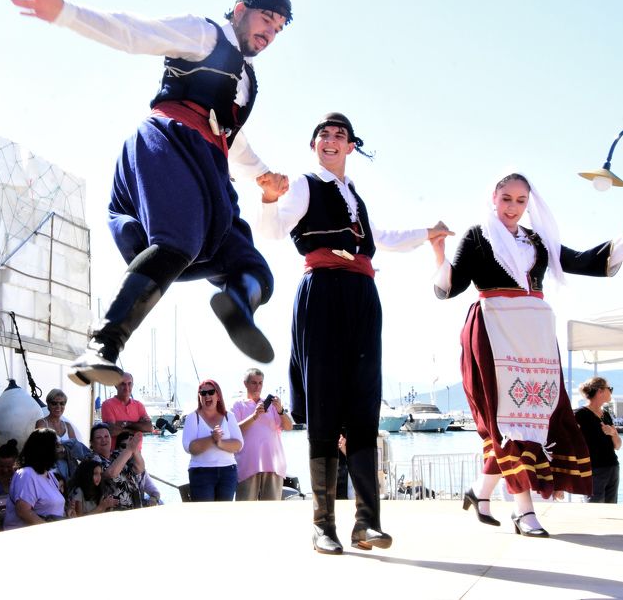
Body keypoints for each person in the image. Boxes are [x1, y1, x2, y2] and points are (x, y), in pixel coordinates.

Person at [11, 0, 293, 386]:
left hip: (211, 163)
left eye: (278, 28)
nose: (270, 33)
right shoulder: (204, 34)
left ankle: (236, 304)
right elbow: (135, 32)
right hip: (170, 142)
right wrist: (68, 14)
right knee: (178, 242)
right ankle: (102, 345)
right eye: (266, 19)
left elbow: (231, 137)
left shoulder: (247, 79)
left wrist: (262, 174)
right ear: (239, 10)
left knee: (252, 267)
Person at [257, 113, 450, 553]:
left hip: (363, 295)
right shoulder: (305, 184)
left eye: (339, 135)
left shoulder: (355, 195)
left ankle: (367, 523)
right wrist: (268, 198)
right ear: (314, 145)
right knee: (324, 410)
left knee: (364, 409)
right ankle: (323, 526)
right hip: (323, 291)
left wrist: (428, 234)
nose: (331, 140)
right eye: (323, 134)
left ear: (350, 147)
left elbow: (382, 237)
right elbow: (273, 230)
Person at [430, 172, 623, 537]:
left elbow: (581, 260)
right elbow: (451, 287)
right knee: (511, 420)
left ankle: (480, 491)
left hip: (535, 337)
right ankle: (524, 511)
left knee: (536, 418)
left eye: (520, 201)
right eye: (506, 199)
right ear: (493, 198)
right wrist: (439, 253)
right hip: (496, 331)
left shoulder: (536, 240)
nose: (512, 207)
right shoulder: (479, 235)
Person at [231, 368, 291, 500]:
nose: (258, 386)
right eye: (254, 383)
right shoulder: (238, 405)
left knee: (271, 510)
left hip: (273, 465)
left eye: (260, 383)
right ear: (245, 384)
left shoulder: (272, 406)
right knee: (245, 508)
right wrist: (254, 416)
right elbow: (234, 430)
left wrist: (280, 410)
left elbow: (288, 426)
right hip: (247, 466)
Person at [182, 379, 242, 502]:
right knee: (204, 512)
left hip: (228, 472)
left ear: (218, 396)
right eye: (203, 393)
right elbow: (189, 447)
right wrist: (212, 438)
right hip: (201, 472)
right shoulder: (192, 418)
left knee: (224, 511)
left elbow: (238, 444)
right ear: (199, 396)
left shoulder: (229, 416)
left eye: (211, 392)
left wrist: (220, 443)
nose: (207, 396)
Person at [4, 429, 67, 528]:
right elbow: (23, 511)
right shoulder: (27, 475)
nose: (60, 450)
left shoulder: (49, 475)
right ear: (45, 450)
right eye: (56, 446)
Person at [574, 377, 621, 503]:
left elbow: (618, 446)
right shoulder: (579, 415)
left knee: (611, 508)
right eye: (609, 389)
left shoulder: (606, 415)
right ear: (600, 391)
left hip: (612, 467)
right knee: (594, 508)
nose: (611, 392)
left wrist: (613, 433)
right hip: (593, 469)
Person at [88, 422, 144, 510]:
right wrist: (129, 449)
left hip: (134, 506)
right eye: (99, 438)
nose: (103, 440)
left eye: (106, 436)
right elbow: (111, 473)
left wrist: (135, 449)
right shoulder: (91, 460)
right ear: (92, 443)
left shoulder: (118, 454)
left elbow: (140, 468)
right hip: (114, 511)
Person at [100, 372, 152, 450]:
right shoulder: (107, 405)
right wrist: (136, 428)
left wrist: (125, 423)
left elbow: (149, 427)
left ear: (132, 385)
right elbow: (112, 430)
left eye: (129, 384)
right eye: (123, 384)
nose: (126, 388)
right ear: (116, 385)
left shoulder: (139, 405)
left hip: (136, 454)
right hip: (116, 454)